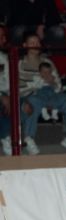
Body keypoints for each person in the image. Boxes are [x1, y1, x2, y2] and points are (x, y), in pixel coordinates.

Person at [18, 33, 66, 154]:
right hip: (32, 96)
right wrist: (37, 87)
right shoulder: (20, 64)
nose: (36, 45)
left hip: (51, 95)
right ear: (25, 45)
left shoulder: (48, 62)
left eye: (37, 42)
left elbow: (58, 84)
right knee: (33, 101)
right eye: (32, 43)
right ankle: (29, 138)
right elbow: (18, 89)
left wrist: (52, 83)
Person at [0, 25, 10, 155]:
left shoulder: (6, 57)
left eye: (3, 36)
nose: (3, 39)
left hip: (6, 93)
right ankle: (5, 136)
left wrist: (10, 96)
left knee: (25, 105)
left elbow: (9, 81)